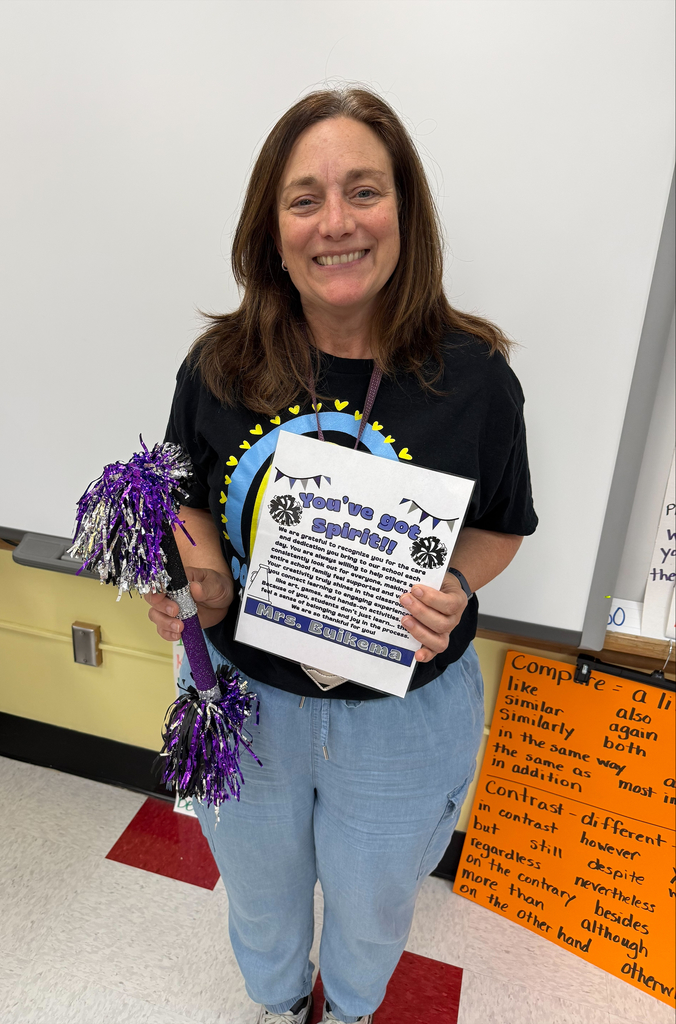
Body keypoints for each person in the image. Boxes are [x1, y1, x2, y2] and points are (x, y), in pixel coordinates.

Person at [145, 88, 537, 1024]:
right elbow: (187, 504)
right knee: (262, 898)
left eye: (363, 190)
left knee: (372, 914)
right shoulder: (217, 368)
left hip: (405, 715)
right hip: (246, 701)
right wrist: (197, 588)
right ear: (271, 229)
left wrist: (455, 584)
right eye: (305, 198)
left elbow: (503, 527)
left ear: (405, 211)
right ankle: (280, 1006)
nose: (337, 223)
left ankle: (352, 1011)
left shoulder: (475, 376)